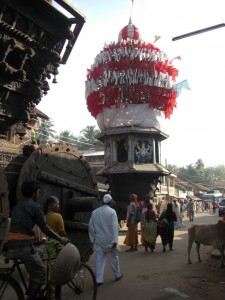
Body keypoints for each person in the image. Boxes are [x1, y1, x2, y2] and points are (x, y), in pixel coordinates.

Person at [6, 180, 69, 300]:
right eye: (38, 191)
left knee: (40, 253)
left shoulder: (16, 206)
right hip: (24, 246)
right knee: (41, 275)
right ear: (35, 193)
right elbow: (45, 228)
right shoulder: (35, 207)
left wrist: (33, 237)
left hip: (13, 244)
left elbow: (21, 226)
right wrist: (60, 239)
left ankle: (32, 289)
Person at [88, 194, 123, 286]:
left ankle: (98, 279)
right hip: (109, 240)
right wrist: (115, 241)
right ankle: (117, 275)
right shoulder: (112, 212)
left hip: (99, 240)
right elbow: (114, 227)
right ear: (110, 202)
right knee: (113, 258)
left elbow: (90, 226)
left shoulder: (95, 212)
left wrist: (92, 239)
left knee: (99, 260)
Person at [44, 196, 67, 299]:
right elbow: (61, 232)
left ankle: (48, 291)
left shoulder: (43, 216)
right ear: (50, 205)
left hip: (43, 244)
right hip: (55, 244)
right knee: (56, 269)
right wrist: (67, 239)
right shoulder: (58, 217)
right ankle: (53, 293)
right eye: (56, 204)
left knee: (47, 269)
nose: (58, 206)